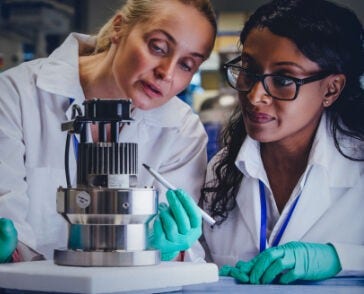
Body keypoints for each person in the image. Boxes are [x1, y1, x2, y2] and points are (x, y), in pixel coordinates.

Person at [0, 0, 217, 263]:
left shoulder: (182, 131)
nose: (167, 73)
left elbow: (185, 250)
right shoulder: (15, 95)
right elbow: (7, 220)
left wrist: (170, 250)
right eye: (158, 47)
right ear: (119, 27)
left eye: (187, 65)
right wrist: (10, 251)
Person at [200, 0, 364, 285]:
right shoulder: (221, 169)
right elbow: (197, 264)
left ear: (332, 88)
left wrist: (341, 258)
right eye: (248, 71)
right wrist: (177, 253)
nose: (254, 96)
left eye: (284, 79)